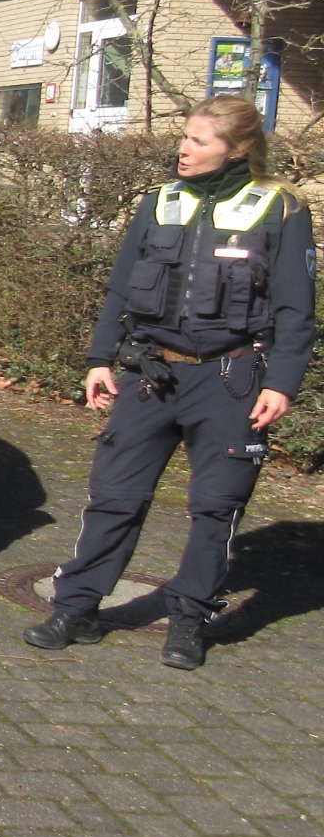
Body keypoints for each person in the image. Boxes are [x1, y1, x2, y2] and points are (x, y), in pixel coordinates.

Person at [24, 96, 315, 670]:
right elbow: (120, 288)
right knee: (114, 495)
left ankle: (189, 619)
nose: (184, 148)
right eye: (185, 137)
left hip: (232, 380)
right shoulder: (160, 201)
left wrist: (281, 382)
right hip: (151, 374)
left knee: (216, 506)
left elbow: (296, 309)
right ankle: (77, 606)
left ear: (237, 148)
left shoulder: (280, 208)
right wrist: (99, 357)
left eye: (200, 141)